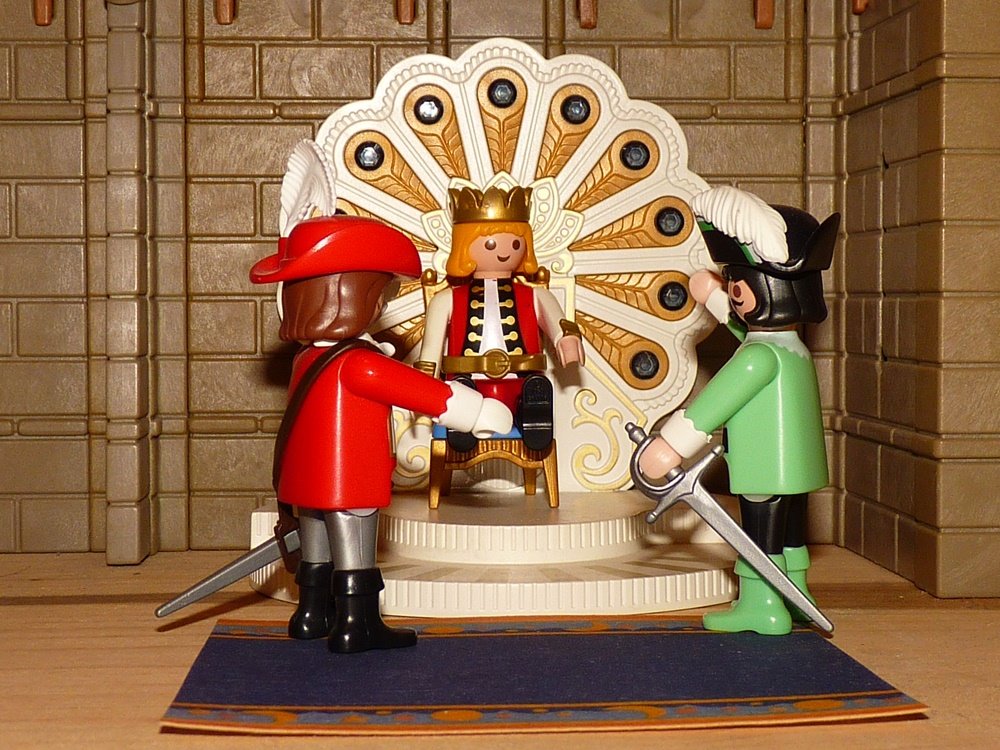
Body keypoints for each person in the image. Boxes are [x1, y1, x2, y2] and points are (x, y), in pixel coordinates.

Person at [250, 215, 512, 653]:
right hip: (349, 481)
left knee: (316, 548)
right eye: (381, 295)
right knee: (355, 552)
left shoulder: (305, 359)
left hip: (305, 482)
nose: (383, 305)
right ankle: (358, 624)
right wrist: (478, 411)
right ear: (355, 296)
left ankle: (312, 614)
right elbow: (421, 392)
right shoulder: (359, 362)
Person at [637, 186, 839, 635]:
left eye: (737, 284)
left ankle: (762, 605)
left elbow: (713, 404)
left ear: (767, 289)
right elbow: (743, 326)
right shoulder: (790, 348)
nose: (733, 292)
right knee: (790, 534)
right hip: (795, 469)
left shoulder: (757, 358)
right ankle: (797, 595)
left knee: (758, 538)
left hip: (764, 468)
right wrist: (712, 294)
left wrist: (670, 446)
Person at [415, 185, 584, 452]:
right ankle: (463, 423)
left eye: (516, 244)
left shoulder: (534, 295)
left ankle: (533, 416)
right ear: (464, 246)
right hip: (467, 382)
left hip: (522, 379)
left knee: (534, 390)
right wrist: (423, 398)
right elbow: (430, 353)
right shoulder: (447, 299)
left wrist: (567, 339)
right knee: (461, 394)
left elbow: (559, 322)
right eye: (491, 244)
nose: (505, 251)